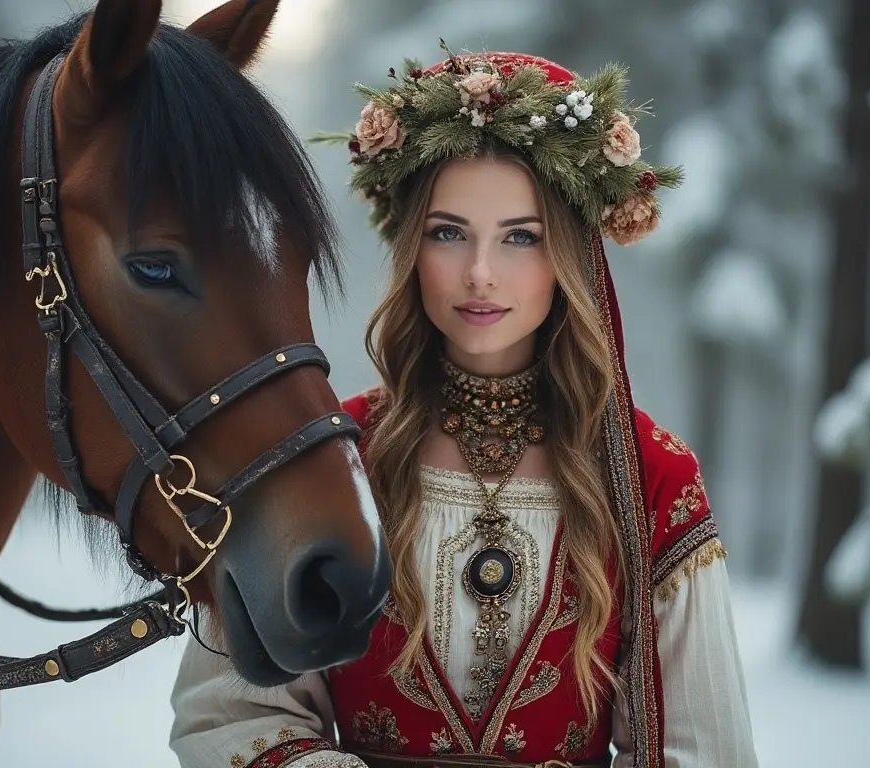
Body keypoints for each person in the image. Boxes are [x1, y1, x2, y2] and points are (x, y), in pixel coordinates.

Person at [167, 44, 759, 768]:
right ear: (412, 244)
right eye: (449, 233)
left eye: (521, 237)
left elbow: (704, 750)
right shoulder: (325, 453)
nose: (480, 274)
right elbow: (233, 717)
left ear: (570, 255)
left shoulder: (650, 477)